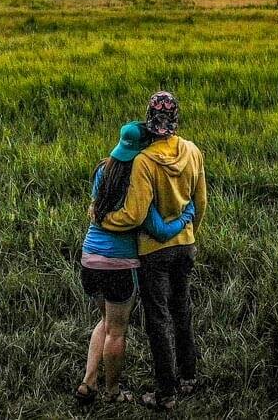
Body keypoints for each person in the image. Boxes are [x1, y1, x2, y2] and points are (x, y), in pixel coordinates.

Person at [76, 121, 196, 406]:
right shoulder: (141, 177)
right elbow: (160, 230)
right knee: (117, 331)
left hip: (89, 258)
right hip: (118, 264)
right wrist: (186, 214)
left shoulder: (102, 170)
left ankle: (87, 382)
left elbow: (96, 207)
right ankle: (113, 392)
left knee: (105, 321)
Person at [102, 91, 207, 411]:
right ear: (175, 121)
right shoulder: (192, 150)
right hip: (185, 244)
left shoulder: (144, 161)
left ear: (150, 120)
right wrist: (190, 235)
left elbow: (134, 215)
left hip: (153, 252)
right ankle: (189, 377)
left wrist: (106, 219)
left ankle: (166, 393)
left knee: (158, 319)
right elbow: (200, 203)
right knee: (182, 310)